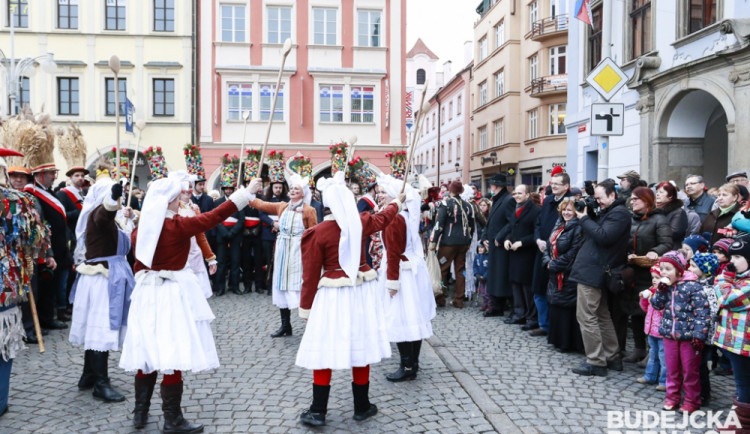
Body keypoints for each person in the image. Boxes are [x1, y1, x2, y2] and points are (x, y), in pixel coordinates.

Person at [119, 175, 257, 432]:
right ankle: (173, 420)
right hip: (170, 294)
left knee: (146, 352)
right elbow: (214, 217)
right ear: (170, 200)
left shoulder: (141, 229)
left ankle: (140, 414)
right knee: (172, 352)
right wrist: (245, 194)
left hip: (146, 292)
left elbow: (138, 263)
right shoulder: (176, 226)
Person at [295, 172, 404, 427]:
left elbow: (310, 276)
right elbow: (384, 218)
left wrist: (305, 309)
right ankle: (362, 406)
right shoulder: (361, 222)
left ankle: (318, 410)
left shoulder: (318, 232)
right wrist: (397, 202)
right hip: (361, 295)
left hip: (332, 297)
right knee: (361, 346)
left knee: (324, 349)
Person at [68, 174, 134, 403]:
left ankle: (88, 375)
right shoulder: (98, 214)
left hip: (107, 277)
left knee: (96, 327)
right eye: (116, 196)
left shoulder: (111, 218)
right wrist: (113, 196)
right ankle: (100, 383)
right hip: (101, 280)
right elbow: (104, 213)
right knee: (101, 327)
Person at [376, 175, 436, 382]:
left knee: (400, 318)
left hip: (401, 272)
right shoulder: (405, 215)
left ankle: (407, 364)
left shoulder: (394, 219)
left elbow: (393, 252)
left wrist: (392, 282)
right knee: (413, 317)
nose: (379, 195)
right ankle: (413, 363)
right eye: (379, 191)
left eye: (383, 192)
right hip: (410, 270)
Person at [570, 179, 632, 376]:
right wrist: (592, 214)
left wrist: (584, 218)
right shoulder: (610, 212)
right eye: (595, 198)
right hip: (595, 269)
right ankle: (612, 357)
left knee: (587, 316)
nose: (598, 202)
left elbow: (604, 236)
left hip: (594, 270)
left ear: (612, 195)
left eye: (600, 198)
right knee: (602, 315)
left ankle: (596, 361)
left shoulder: (619, 214)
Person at [247, 173, 317, 337]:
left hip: (299, 251)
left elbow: (314, 233)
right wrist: (248, 194)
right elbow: (262, 205)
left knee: (300, 285)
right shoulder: (282, 206)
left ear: (303, 193)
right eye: (291, 188)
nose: (292, 191)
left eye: (296, 189)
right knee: (281, 285)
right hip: (282, 250)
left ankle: (312, 326)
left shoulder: (309, 210)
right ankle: (285, 326)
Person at [650, 251, 710, 413]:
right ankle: (672, 398)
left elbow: (702, 312)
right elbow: (656, 305)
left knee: (690, 370)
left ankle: (692, 400)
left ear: (679, 270)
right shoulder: (666, 287)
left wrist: (699, 335)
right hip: (669, 334)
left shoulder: (693, 286)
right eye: (662, 269)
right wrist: (660, 291)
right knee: (672, 369)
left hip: (689, 337)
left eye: (668, 269)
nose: (663, 273)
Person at [620, 187, 672, 364]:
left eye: (636, 199)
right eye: (632, 199)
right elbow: (625, 242)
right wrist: (628, 254)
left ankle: (652, 353)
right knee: (634, 311)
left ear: (646, 200)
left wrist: (654, 251)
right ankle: (638, 349)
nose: (632, 201)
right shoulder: (630, 219)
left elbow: (667, 243)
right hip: (633, 270)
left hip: (651, 275)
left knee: (649, 312)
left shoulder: (659, 219)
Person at [712, 236, 750, 429]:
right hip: (735, 342)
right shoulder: (738, 278)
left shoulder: (743, 282)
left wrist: (723, 280)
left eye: (737, 257)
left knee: (744, 383)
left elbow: (728, 300)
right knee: (742, 382)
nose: (732, 262)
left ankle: (742, 425)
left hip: (745, 344)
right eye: (731, 256)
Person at [26, 163, 70, 331]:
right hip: (43, 247)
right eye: (51, 173)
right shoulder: (31, 192)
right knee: (45, 284)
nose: (54, 176)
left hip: (56, 246)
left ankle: (47, 317)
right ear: (40, 174)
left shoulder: (46, 192)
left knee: (51, 284)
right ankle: (44, 318)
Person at [530, 172, 572, 336]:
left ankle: (555, 327)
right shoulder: (547, 200)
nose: (553, 186)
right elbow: (538, 223)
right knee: (539, 290)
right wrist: (538, 240)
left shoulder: (570, 203)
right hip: (541, 251)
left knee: (556, 292)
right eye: (552, 183)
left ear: (566, 186)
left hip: (559, 254)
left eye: (557, 184)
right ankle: (544, 324)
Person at [542, 198, 584, 352]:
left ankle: (568, 343)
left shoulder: (578, 227)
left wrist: (553, 265)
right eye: (564, 209)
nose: (566, 212)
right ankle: (557, 340)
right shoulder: (559, 224)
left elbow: (574, 252)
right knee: (556, 305)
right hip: (554, 271)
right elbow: (548, 246)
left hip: (567, 272)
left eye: (569, 210)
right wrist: (547, 261)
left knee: (567, 308)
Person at [498, 184, 540, 326]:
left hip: (527, 254)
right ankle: (518, 313)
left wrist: (522, 242)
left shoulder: (535, 211)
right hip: (514, 253)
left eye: (520, 193)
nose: (516, 196)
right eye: (515, 193)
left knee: (526, 287)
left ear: (528, 195)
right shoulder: (515, 209)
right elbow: (511, 227)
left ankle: (530, 316)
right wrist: (507, 239)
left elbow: (536, 233)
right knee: (515, 285)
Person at [429, 181, 474, 308]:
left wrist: (433, 241)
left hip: (448, 244)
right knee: (460, 270)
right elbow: (472, 226)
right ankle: (459, 299)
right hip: (463, 243)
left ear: (451, 190)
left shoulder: (445, 204)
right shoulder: (468, 206)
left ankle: (440, 298)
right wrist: (468, 241)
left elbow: (439, 224)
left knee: (442, 268)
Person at [56, 165, 89, 322]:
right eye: (77, 175)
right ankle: (64, 307)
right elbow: (62, 215)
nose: (80, 178)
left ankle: (71, 303)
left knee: (75, 273)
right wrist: (79, 212)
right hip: (70, 237)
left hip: (80, 237)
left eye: (82, 175)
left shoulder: (83, 193)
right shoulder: (63, 194)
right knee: (68, 274)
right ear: (70, 178)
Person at [687, 252, 720, 405]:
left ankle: (703, 394)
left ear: (705, 269)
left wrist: (703, 334)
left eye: (694, 266)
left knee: (700, 366)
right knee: (694, 364)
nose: (689, 268)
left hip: (704, 335)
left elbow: (712, 313)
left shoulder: (709, 289)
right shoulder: (695, 284)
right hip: (694, 331)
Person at [481, 173, 514, 317]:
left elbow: (511, 222)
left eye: (491, 185)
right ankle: (496, 306)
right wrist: (484, 237)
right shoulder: (497, 199)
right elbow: (490, 222)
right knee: (494, 276)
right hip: (493, 244)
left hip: (501, 244)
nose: (490, 187)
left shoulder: (508, 200)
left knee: (500, 277)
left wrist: (500, 237)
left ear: (496, 186)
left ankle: (501, 306)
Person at [637, 265, 667, 391]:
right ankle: (650, 376)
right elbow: (645, 309)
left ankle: (664, 381)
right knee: (653, 354)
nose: (654, 280)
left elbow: (663, 310)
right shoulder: (651, 290)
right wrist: (644, 299)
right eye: (653, 277)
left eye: (657, 277)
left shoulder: (665, 294)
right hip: (651, 329)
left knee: (664, 357)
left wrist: (654, 299)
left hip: (661, 331)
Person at [214, 182, 245, 296]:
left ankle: (235, 286)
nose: (228, 190)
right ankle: (221, 287)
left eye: (230, 188)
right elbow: (216, 218)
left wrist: (232, 232)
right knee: (221, 263)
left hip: (235, 236)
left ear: (233, 189)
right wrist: (224, 233)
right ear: (223, 189)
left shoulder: (239, 201)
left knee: (235, 262)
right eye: (226, 188)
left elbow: (242, 220)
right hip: (222, 236)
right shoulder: (217, 202)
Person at [258, 181, 288, 294]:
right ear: (272, 188)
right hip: (268, 234)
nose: (278, 189)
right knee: (269, 260)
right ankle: (269, 286)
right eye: (276, 187)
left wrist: (281, 225)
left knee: (281, 260)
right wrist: (273, 223)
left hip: (283, 234)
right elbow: (262, 215)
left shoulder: (287, 200)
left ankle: (280, 285)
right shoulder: (265, 200)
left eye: (280, 187)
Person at [655, 181, 688, 250]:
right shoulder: (655, 211)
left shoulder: (679, 212)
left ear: (670, 196)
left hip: (672, 250)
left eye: (661, 192)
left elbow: (674, 233)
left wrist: (652, 232)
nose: (657, 194)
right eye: (657, 192)